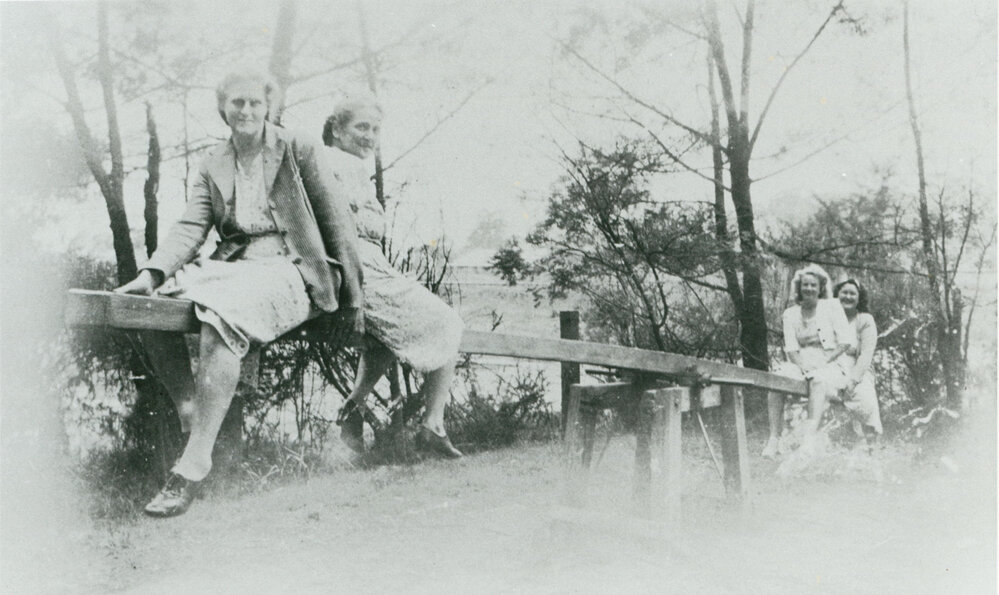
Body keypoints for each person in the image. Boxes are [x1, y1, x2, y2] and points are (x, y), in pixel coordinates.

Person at [117, 69, 364, 517]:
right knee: (149, 308)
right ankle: (192, 414)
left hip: (294, 268)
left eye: (254, 102)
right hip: (235, 268)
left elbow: (337, 223)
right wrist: (152, 274)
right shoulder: (214, 161)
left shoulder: (298, 147)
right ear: (223, 108)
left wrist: (354, 299)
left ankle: (193, 464)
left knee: (221, 314)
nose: (246, 110)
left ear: (268, 106)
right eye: (237, 103)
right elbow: (192, 225)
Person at [321, 96, 464, 459]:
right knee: (447, 321)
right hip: (356, 269)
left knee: (388, 336)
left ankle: (352, 411)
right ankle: (433, 425)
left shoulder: (343, 164)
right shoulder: (339, 164)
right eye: (361, 127)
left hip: (363, 266)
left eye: (375, 129)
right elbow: (344, 228)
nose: (370, 136)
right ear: (337, 130)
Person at [764, 264, 855, 458]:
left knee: (818, 380)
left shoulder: (832, 307)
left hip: (831, 363)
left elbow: (846, 342)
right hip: (801, 364)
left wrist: (823, 362)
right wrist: (802, 366)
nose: (809, 289)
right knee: (776, 377)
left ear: (820, 288)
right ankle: (774, 439)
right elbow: (791, 349)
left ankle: (808, 440)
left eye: (813, 285)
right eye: (805, 285)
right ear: (799, 288)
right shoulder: (790, 314)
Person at [833, 278, 883, 448]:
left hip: (858, 369)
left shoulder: (865, 319)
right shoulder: (828, 318)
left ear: (859, 297)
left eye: (852, 293)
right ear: (836, 295)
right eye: (844, 293)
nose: (848, 296)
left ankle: (872, 447)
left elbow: (866, 355)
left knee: (866, 399)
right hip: (833, 367)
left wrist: (853, 380)